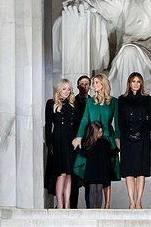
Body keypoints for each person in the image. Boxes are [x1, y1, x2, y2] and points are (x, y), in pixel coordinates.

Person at [72, 74, 120, 209]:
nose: (94, 85)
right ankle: (92, 208)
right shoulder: (90, 101)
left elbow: (117, 122)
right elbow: (84, 120)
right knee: (92, 176)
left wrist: (117, 139)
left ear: (103, 83)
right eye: (93, 83)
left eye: (96, 82)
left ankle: (108, 204)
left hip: (107, 141)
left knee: (106, 174)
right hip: (92, 142)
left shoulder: (113, 101)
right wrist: (79, 136)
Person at [117, 72, 151, 209]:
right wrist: (128, 134)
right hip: (127, 139)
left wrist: (140, 133)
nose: (136, 84)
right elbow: (120, 120)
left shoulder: (147, 98)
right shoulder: (122, 99)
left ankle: (139, 201)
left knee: (140, 171)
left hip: (142, 138)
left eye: (138, 81)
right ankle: (131, 201)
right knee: (129, 171)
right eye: (133, 81)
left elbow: (150, 118)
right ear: (129, 83)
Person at [45, 79, 79, 209]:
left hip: (71, 142)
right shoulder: (52, 103)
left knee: (69, 173)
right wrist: (49, 143)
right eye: (64, 89)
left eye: (69, 89)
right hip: (58, 141)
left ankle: (67, 203)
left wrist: (78, 139)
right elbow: (48, 125)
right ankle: (59, 203)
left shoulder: (74, 104)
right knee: (61, 173)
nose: (67, 91)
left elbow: (77, 125)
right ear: (59, 89)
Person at [76, 122, 120, 209]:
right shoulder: (88, 142)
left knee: (99, 189)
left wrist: (117, 149)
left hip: (100, 170)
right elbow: (84, 153)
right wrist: (77, 148)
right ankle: (93, 209)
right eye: (99, 132)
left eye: (101, 132)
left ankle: (97, 209)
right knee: (92, 189)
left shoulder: (104, 142)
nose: (101, 134)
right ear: (94, 132)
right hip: (94, 171)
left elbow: (110, 153)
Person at [70, 75, 92, 208]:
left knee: (89, 176)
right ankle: (73, 206)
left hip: (90, 142)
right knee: (75, 175)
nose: (84, 86)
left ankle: (90, 206)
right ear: (77, 86)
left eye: (86, 84)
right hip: (76, 142)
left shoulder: (94, 101)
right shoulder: (73, 101)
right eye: (81, 84)